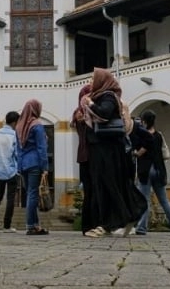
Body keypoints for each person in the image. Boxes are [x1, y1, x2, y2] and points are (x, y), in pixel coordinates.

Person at [77, 68, 148, 238]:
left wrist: (91, 104)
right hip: (103, 149)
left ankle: (109, 223)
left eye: (93, 79)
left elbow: (105, 113)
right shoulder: (102, 95)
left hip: (107, 150)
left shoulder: (107, 96)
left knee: (107, 185)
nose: (90, 82)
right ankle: (123, 217)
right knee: (110, 186)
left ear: (102, 80)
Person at [130, 110, 170, 236]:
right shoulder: (159, 135)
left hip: (146, 170)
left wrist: (134, 153)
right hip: (159, 170)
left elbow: (137, 151)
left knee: (144, 200)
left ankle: (142, 228)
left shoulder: (142, 135)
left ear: (144, 121)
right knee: (164, 201)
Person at [16, 99, 50, 235]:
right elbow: (41, 148)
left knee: (30, 193)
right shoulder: (37, 125)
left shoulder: (19, 126)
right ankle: (30, 225)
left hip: (23, 164)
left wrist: (19, 166)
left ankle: (36, 225)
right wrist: (45, 167)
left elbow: (17, 149)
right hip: (35, 163)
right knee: (32, 194)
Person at [70, 84, 98, 236]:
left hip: (82, 155)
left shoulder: (77, 113)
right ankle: (91, 225)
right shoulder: (87, 113)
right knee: (93, 191)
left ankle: (88, 225)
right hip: (91, 155)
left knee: (89, 191)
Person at [0, 110, 20, 233]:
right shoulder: (14, 135)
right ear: (14, 122)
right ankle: (7, 226)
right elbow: (17, 153)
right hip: (12, 170)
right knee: (11, 198)